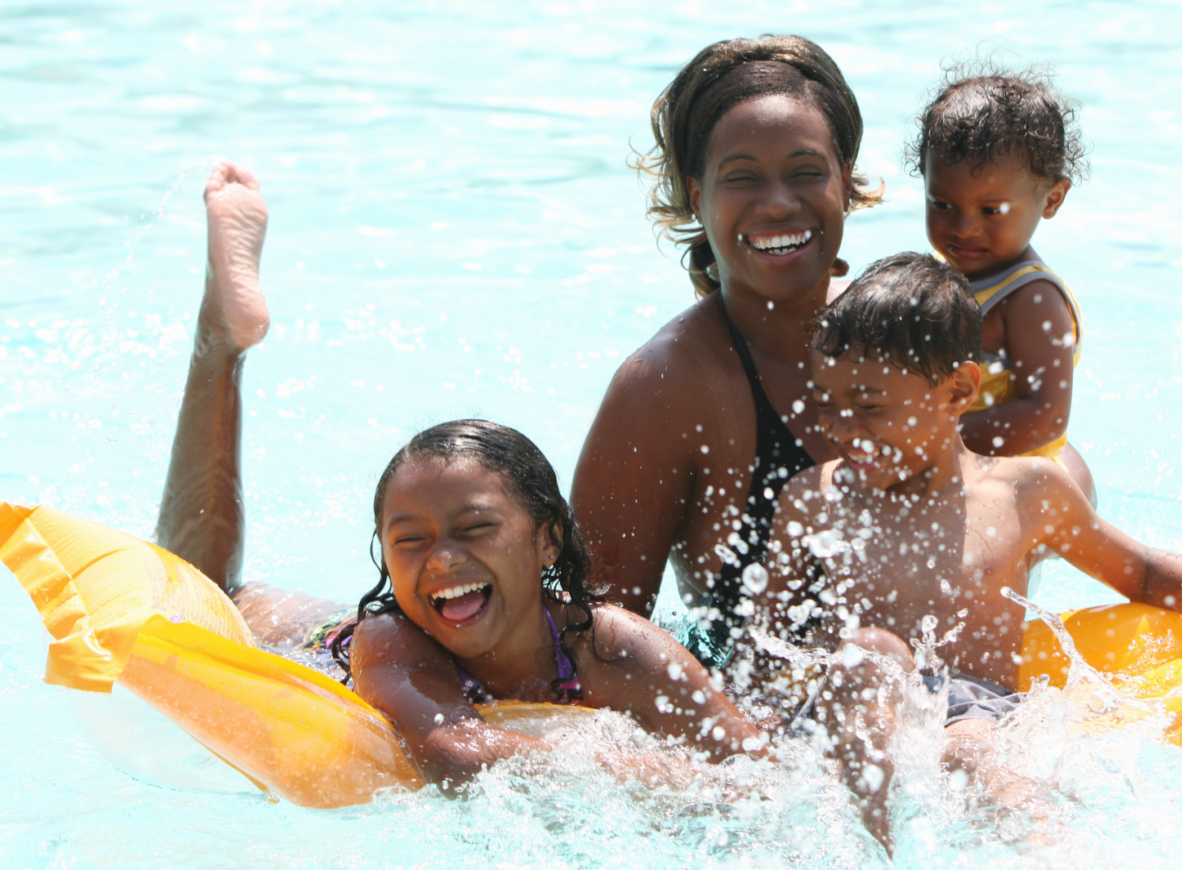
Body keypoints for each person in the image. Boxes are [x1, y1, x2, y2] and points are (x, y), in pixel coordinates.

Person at [157, 161, 764, 789]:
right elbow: (455, 753)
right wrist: (630, 770)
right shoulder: (391, 639)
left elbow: (755, 765)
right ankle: (218, 340)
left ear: (548, 538)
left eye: (474, 528)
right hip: (309, 640)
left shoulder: (607, 643)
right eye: (410, 540)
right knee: (204, 592)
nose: (443, 559)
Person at [755, 252, 1182, 843]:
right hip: (848, 717)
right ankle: (872, 847)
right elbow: (766, 649)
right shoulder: (812, 498)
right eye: (826, 402)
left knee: (980, 759)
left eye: (869, 407)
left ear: (958, 391)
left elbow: (1142, 571)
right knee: (872, 654)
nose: (842, 430)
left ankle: (1043, 852)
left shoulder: (1025, 491)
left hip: (974, 714)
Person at [571, 35, 881, 674]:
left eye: (806, 171)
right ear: (695, 194)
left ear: (845, 181)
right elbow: (595, 636)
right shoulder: (665, 387)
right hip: (765, 729)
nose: (776, 202)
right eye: (742, 178)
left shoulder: (913, 335)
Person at [911, 65, 1097, 505]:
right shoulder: (941, 273)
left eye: (991, 210)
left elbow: (1046, 415)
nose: (964, 228)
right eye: (942, 203)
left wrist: (929, 439)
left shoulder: (1030, 300)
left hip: (1015, 482)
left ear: (1051, 199)